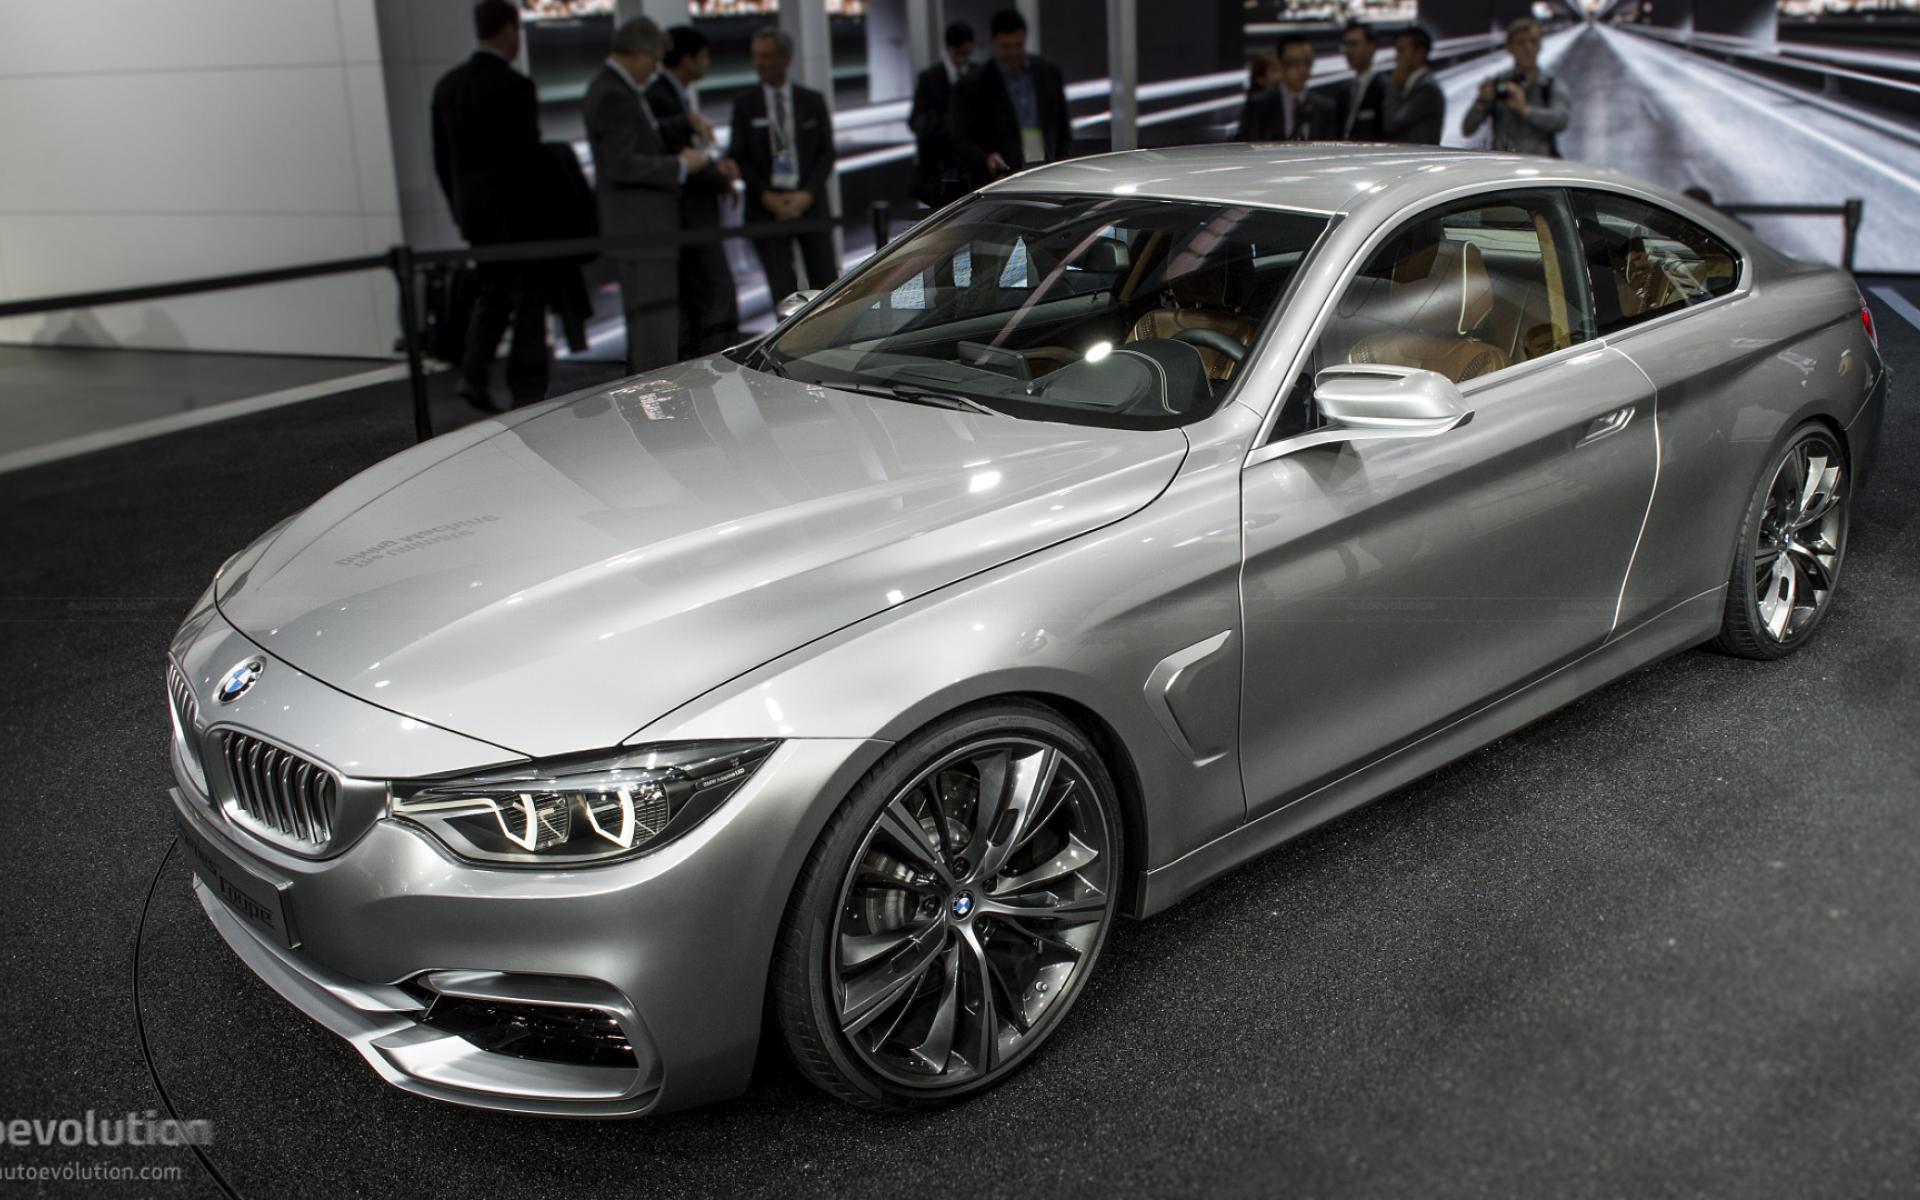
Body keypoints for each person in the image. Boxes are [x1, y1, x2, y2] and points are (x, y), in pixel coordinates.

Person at [430, 0, 550, 409]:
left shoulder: (448, 86)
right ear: (509, 30)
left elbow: (442, 161)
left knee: (493, 291)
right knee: (528, 300)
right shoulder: (515, 86)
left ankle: (474, 373)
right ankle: (527, 389)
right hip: (518, 216)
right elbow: (527, 160)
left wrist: (460, 210)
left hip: (475, 216)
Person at [583, 16, 710, 374]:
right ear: (637, 53)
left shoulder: (616, 89)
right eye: (653, 60)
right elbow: (621, 163)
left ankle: (650, 392)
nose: (655, 70)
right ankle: (655, 396)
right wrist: (680, 165)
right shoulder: (612, 94)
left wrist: (685, 122)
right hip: (642, 230)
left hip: (641, 229)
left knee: (652, 329)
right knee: (654, 333)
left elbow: (642, 136)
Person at [648, 25, 743, 357]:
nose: (707, 63)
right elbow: (678, 158)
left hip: (688, 220)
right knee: (714, 294)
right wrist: (719, 177)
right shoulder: (660, 97)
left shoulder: (672, 94)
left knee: (697, 301)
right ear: (687, 59)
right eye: (704, 57)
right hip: (688, 219)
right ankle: (718, 362)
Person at [729, 27, 838, 304]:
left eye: (767, 56)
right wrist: (768, 198)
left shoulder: (811, 101)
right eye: (756, 56)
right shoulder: (744, 105)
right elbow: (739, 155)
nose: (760, 63)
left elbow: (826, 152)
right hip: (766, 210)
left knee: (826, 283)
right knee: (783, 292)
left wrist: (806, 195)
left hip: (809, 206)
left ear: (785, 59)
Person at [950, 9, 1073, 191]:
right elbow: (961, 139)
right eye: (1006, 46)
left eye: (1018, 45)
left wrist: (1062, 159)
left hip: (1047, 170)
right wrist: (986, 158)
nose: (1013, 52)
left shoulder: (1048, 73)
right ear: (993, 42)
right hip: (999, 179)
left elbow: (1062, 124)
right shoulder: (972, 85)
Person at [1462, 17, 1569, 156]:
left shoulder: (1550, 85)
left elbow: (1561, 120)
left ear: (1539, 46)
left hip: (1539, 164)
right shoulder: (1498, 84)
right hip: (1502, 164)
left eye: (1533, 42)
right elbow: (1467, 129)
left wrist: (1525, 109)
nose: (1528, 49)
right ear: (1509, 48)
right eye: (1521, 43)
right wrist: (1481, 102)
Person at [908, 21, 975, 209]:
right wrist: (943, 124)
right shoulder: (929, 79)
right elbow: (915, 121)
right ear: (948, 48)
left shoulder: (978, 75)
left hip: (972, 170)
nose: (962, 59)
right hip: (938, 171)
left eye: (966, 54)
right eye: (958, 53)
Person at [1241, 36, 1337, 141]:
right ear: (1279, 63)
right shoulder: (1258, 106)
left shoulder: (1325, 109)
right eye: (1294, 62)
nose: (1302, 69)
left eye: (1307, 62)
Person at [1382, 26, 1445, 145]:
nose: (1397, 57)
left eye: (1401, 50)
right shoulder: (1416, 85)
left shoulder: (1427, 90)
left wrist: (1394, 87)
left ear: (1420, 52)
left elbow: (1392, 124)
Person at [1336, 20, 1388, 140]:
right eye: (1346, 44)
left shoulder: (1385, 88)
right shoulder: (1344, 91)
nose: (1348, 50)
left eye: (1353, 44)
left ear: (1371, 47)